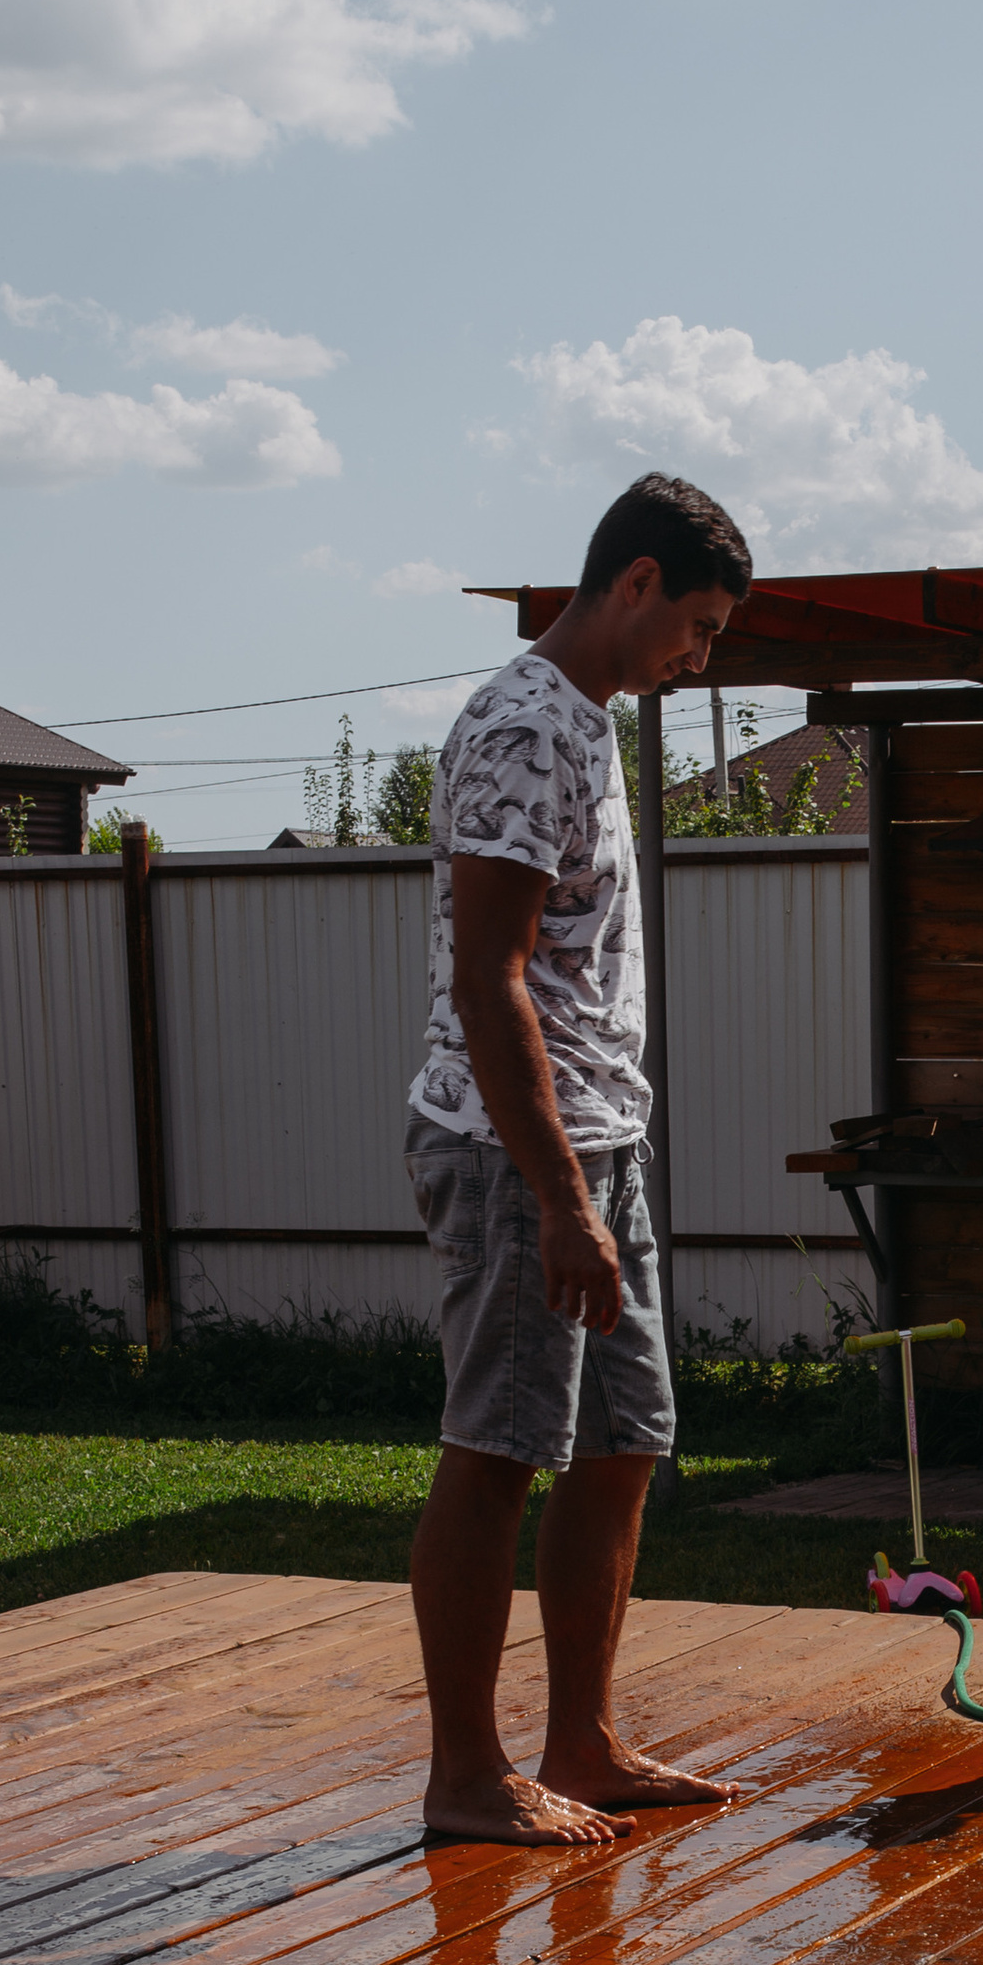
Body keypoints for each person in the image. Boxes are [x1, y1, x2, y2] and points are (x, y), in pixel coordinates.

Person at [404, 470, 751, 1844]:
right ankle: (466, 1776)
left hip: (602, 1140)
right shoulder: (525, 727)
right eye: (702, 629)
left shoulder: (592, 728)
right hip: (512, 1155)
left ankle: (584, 1743)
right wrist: (557, 1203)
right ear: (637, 584)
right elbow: (493, 982)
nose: (702, 660)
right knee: (498, 1449)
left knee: (621, 1443)